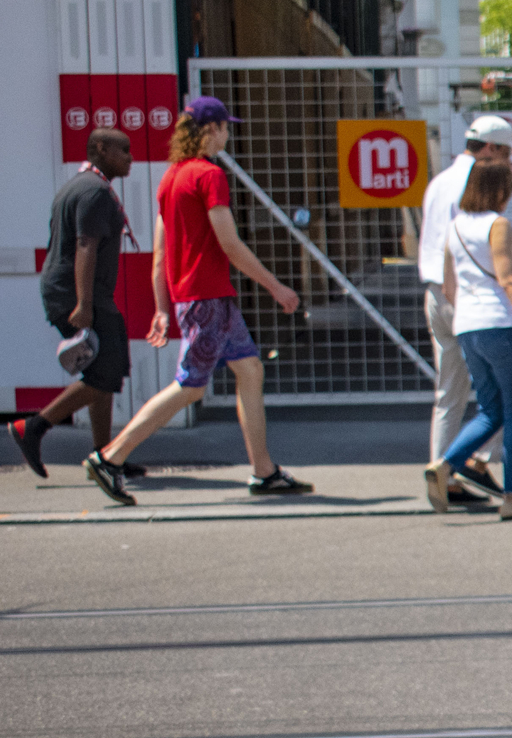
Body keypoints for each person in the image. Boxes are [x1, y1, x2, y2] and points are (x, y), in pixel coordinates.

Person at [83, 97, 308, 506]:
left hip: (200, 300)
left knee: (251, 370)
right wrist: (276, 287)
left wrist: (162, 308)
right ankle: (109, 458)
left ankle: (264, 471)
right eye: (225, 127)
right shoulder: (209, 176)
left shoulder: (170, 178)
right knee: (189, 387)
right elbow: (230, 243)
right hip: (209, 301)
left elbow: (160, 255)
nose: (228, 133)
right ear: (210, 130)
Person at [13, 127, 139, 478]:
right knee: (108, 372)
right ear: (101, 149)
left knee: (101, 373)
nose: (131, 157)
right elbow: (86, 246)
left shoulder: (80, 186)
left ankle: (104, 456)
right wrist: (84, 305)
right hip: (80, 296)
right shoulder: (94, 191)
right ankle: (33, 427)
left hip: (74, 292)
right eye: (123, 150)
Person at [425, 161, 512, 519]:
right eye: (508, 187)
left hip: (468, 326)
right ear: (499, 190)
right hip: (500, 325)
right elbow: (509, 281)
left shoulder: (455, 227)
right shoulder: (498, 224)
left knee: (491, 410)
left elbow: (449, 286)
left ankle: (445, 465)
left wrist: (470, 314)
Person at [417, 115, 512, 506]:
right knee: (504, 388)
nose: (509, 163)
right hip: (467, 298)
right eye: (506, 152)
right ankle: (474, 460)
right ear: (490, 149)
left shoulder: (438, 182)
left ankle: (444, 473)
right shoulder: (474, 187)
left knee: (449, 391)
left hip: (436, 294)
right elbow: (477, 247)